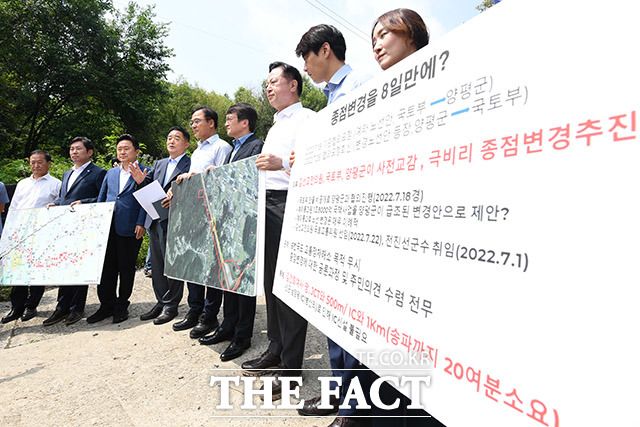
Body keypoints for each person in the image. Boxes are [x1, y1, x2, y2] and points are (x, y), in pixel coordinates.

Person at [295, 24, 372, 427]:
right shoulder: (329, 98)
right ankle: (341, 393)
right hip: (332, 212)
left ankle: (353, 410)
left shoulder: (361, 85)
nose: (305, 68)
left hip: (354, 212)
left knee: (353, 319)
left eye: (307, 59)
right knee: (333, 312)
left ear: (325, 50)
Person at [372, 9, 442, 427]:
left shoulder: (442, 81)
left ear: (412, 34)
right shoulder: (378, 98)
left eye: (385, 34)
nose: (377, 44)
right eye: (373, 38)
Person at [239, 62, 315, 398]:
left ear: (293, 85)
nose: (268, 88)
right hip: (266, 203)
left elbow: (316, 162)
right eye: (266, 84)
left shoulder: (307, 119)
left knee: (289, 287)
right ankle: (275, 348)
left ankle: (291, 367)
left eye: (274, 82)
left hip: (289, 204)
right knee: (271, 283)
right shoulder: (276, 124)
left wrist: (281, 163)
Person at [198, 103, 264, 362]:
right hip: (229, 222)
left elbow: (249, 183)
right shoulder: (233, 149)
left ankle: (242, 336)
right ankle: (227, 326)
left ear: (244, 122)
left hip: (245, 223)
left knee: (243, 281)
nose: (226, 123)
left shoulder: (256, 146)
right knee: (229, 279)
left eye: (230, 119)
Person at [171, 106, 232, 339]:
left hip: (212, 215)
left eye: (197, 121)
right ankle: (194, 310)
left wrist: (195, 178)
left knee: (212, 268)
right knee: (194, 263)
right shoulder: (197, 151)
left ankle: (209, 315)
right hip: (193, 212)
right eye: (192, 121)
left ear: (211, 123)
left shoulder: (222, 147)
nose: (193, 125)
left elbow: (222, 181)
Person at [43, 136, 107, 326]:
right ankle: (61, 307)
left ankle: (76, 308)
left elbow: (102, 198)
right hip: (65, 226)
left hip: (84, 226)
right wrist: (55, 203)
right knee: (64, 266)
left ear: (89, 152)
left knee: (79, 267)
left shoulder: (98, 173)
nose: (74, 152)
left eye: (78, 149)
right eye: (72, 149)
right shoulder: (67, 173)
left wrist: (84, 203)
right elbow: (65, 197)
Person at [86, 134, 148, 324]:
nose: (122, 152)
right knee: (106, 268)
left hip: (130, 226)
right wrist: (97, 223)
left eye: (126, 148)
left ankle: (122, 305)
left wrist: (141, 222)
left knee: (126, 268)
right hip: (108, 226)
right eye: (119, 149)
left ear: (136, 151)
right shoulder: (111, 173)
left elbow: (148, 200)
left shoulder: (146, 171)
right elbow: (102, 198)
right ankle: (106, 305)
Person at [139, 126, 192, 325]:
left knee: (173, 263)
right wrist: (140, 180)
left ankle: (171, 304)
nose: (171, 141)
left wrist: (177, 195)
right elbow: (148, 184)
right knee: (157, 263)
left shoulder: (190, 163)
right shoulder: (159, 163)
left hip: (175, 220)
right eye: (169, 137)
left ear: (186, 144)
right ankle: (161, 301)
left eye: (177, 138)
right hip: (154, 218)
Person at [1, 150, 61, 324]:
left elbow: (59, 206)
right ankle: (16, 307)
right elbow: (14, 207)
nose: (36, 165)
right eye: (33, 162)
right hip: (21, 232)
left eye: (40, 162)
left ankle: (31, 305)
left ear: (48, 163)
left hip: (42, 232)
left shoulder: (56, 184)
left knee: (36, 271)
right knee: (18, 271)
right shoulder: (23, 183)